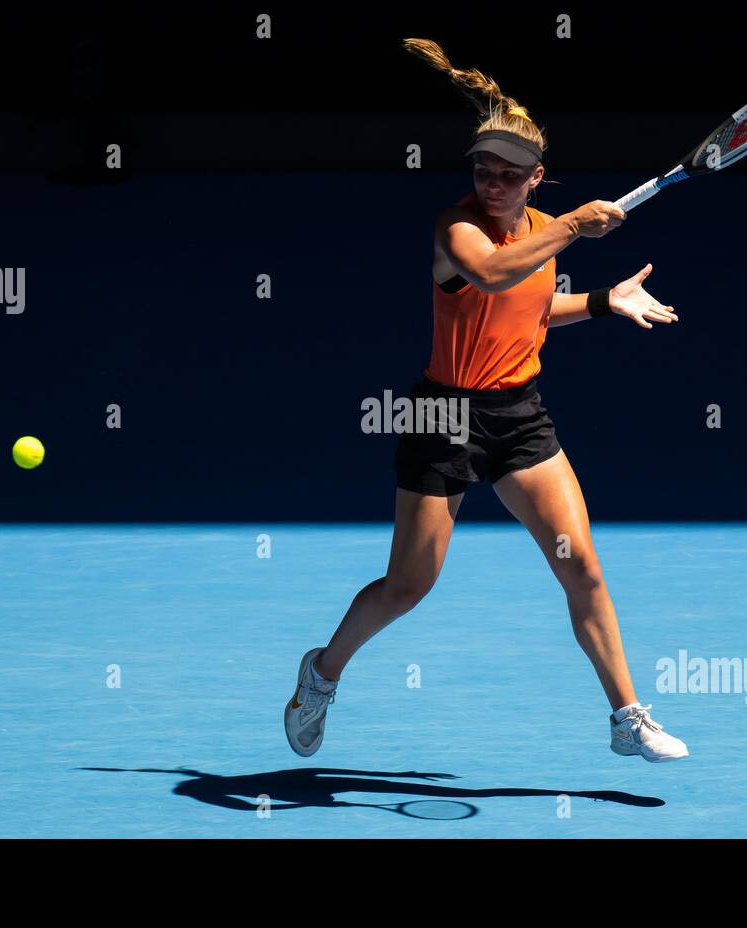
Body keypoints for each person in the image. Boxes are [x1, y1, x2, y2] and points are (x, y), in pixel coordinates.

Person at [286, 38, 688, 763]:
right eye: (482, 170)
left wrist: (603, 300)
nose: (492, 184)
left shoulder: (539, 234)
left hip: (519, 417)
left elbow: (527, 308)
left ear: (538, 179)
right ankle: (321, 673)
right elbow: (495, 278)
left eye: (509, 175)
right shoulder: (457, 228)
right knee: (409, 586)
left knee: (583, 567)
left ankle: (627, 718)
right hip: (442, 418)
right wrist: (573, 226)